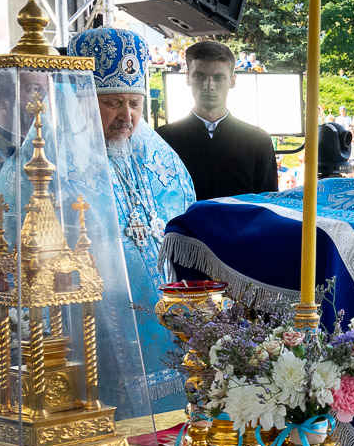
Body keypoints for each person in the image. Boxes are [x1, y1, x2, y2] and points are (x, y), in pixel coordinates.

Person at [70, 26, 197, 410]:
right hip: (94, 329)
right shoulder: (55, 165)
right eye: (112, 103)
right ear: (82, 101)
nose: (127, 115)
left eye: (135, 104)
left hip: (165, 326)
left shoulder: (164, 163)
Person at [157, 40, 277, 200]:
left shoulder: (258, 142)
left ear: (232, 80)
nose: (209, 85)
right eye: (200, 76)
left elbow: (268, 206)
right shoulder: (164, 141)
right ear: (187, 78)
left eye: (218, 77)